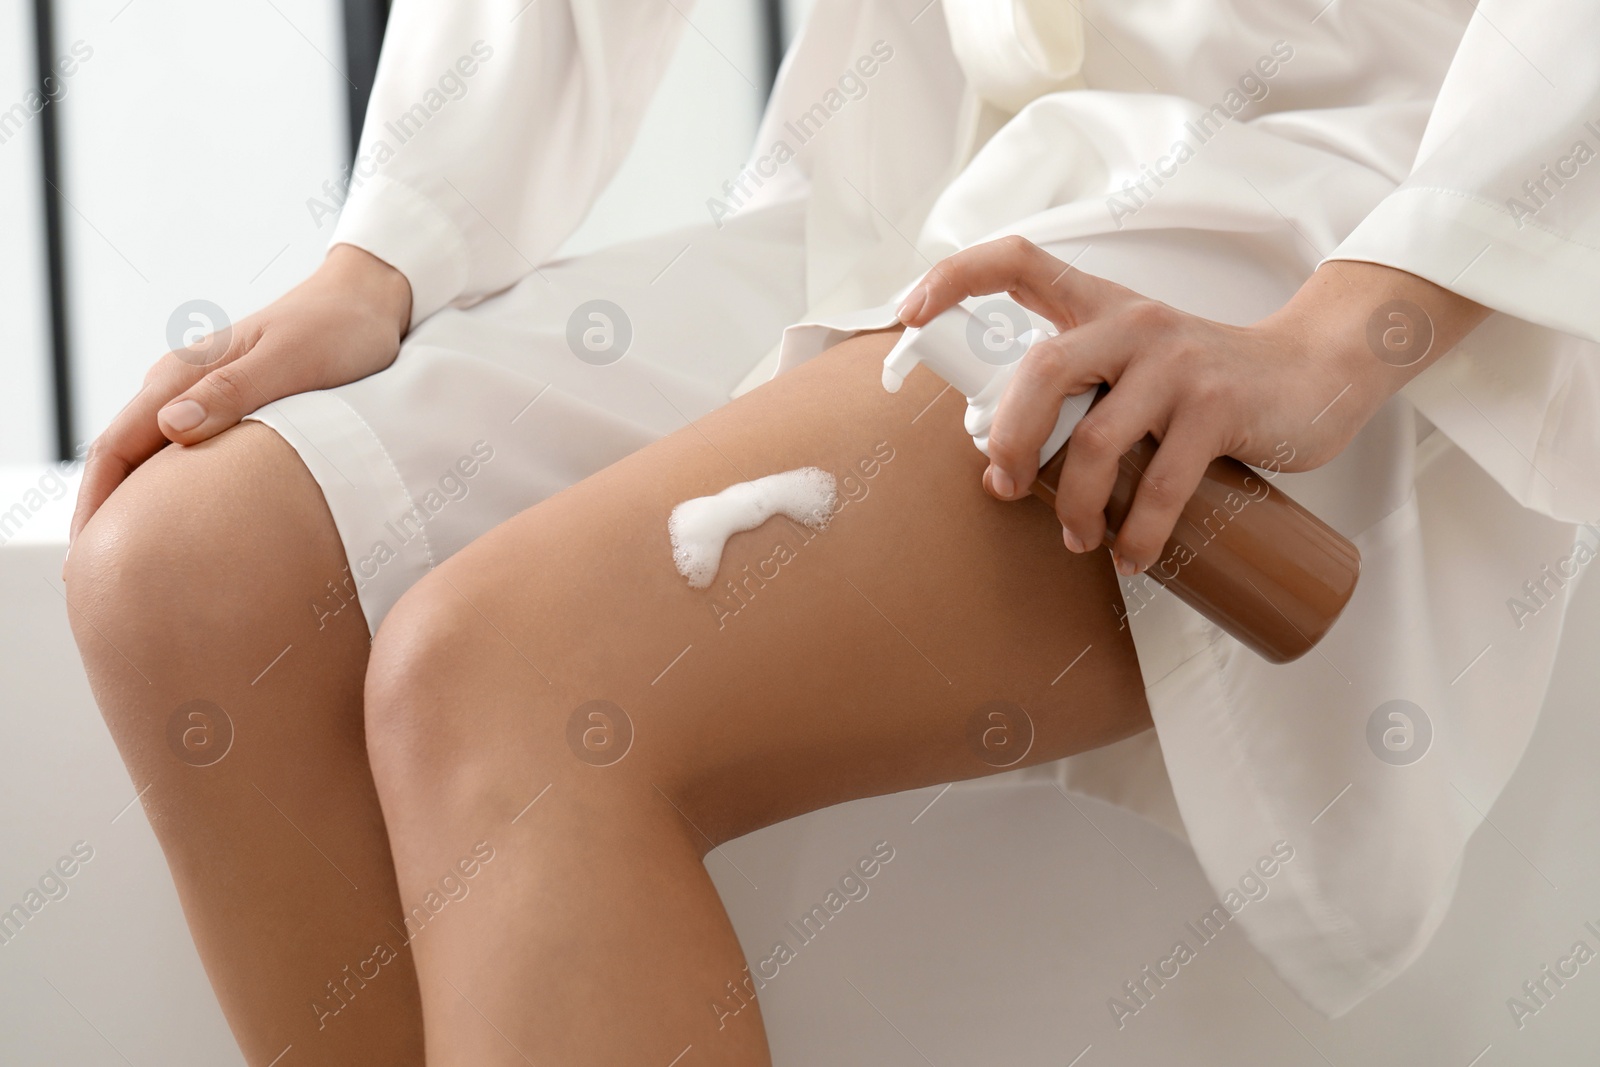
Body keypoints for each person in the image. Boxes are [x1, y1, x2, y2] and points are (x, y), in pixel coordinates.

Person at [62, 0, 1600, 1063]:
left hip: (1355, 231)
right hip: (933, 187)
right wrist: (390, 246)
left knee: (514, 677)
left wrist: (1352, 328)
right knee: (188, 573)